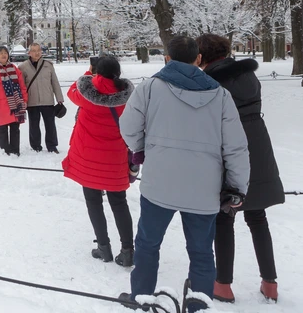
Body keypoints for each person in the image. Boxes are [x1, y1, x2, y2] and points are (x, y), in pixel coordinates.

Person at [118, 36, 250, 312]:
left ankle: (142, 296)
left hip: (159, 182)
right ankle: (199, 306)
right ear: (198, 59)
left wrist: (142, 149)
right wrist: (238, 186)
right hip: (204, 188)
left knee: (147, 244)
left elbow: (129, 126)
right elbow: (236, 146)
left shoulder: (150, 87)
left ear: (167, 58)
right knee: (201, 251)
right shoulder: (220, 95)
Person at [197, 34, 283, 304]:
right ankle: (270, 283)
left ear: (202, 56)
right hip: (257, 144)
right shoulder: (249, 77)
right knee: (257, 217)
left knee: (224, 217)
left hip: (228, 149)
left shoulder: (210, 82)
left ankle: (223, 284)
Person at [62, 55, 136, 267]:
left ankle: (103, 247)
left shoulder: (87, 93)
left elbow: (71, 92)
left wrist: (89, 73)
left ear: (96, 71)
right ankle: (128, 250)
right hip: (115, 158)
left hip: (88, 158)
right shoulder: (127, 96)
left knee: (93, 202)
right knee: (119, 203)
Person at [18, 44, 65, 152]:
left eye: (38, 50)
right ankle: (35, 146)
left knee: (50, 125)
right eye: (33, 51)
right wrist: (22, 100)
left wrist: (59, 98)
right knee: (34, 125)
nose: (37, 53)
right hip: (32, 101)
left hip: (47, 100)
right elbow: (22, 86)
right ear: (29, 53)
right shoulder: (23, 67)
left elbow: (55, 82)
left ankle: (52, 146)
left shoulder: (48, 65)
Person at [0, 46, 28, 156]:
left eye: (5, 53)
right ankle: (5, 150)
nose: (4, 55)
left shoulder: (14, 69)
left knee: (15, 128)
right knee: (2, 128)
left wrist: (24, 99)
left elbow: (22, 86)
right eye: (1, 53)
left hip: (16, 103)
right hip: (1, 105)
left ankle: (15, 149)